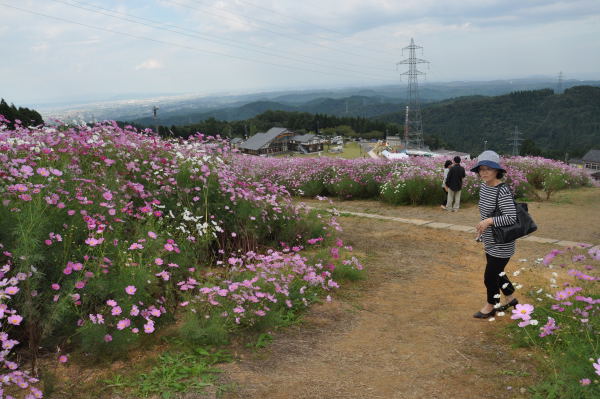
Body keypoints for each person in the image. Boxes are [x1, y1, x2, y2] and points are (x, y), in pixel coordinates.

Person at [471, 150, 519, 319]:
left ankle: (491, 306)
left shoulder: (502, 190)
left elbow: (511, 217)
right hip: (490, 239)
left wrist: (489, 221)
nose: (483, 172)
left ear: (497, 171)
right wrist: (483, 225)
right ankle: (511, 299)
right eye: (481, 169)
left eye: (488, 169)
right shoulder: (484, 187)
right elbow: (486, 212)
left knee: (490, 277)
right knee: (498, 273)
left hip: (503, 242)